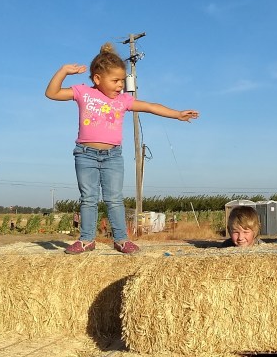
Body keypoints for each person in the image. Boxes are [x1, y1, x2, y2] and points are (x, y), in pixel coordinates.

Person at [45, 43, 199, 255]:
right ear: (97, 79)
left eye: (122, 80)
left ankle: (121, 239)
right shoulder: (83, 92)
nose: (120, 85)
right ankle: (86, 240)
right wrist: (63, 70)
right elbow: (52, 93)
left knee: (114, 199)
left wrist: (177, 114)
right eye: (115, 80)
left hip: (113, 157)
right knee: (89, 198)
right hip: (85, 154)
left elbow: (150, 106)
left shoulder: (123, 100)